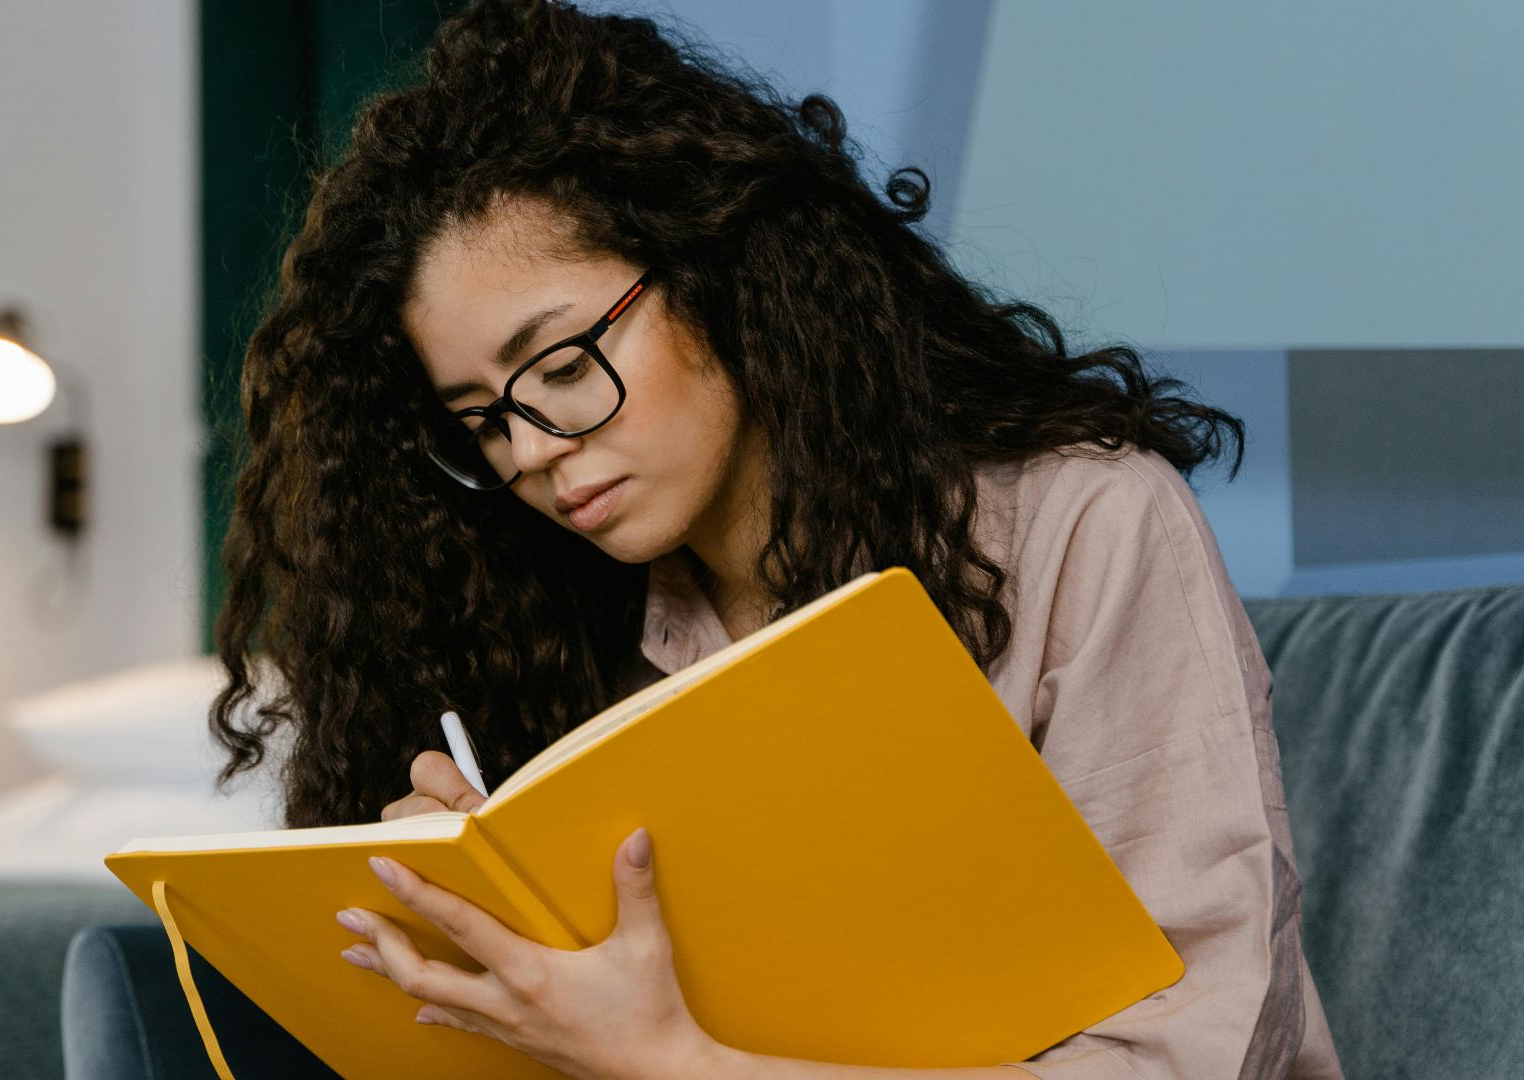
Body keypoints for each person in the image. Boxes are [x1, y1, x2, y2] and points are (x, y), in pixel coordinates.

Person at [204, 0, 1345, 1076]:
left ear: (721, 276)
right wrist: (482, 942)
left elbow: (1205, 1047)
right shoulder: (554, 626)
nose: (535, 451)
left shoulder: (1085, 522)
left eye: (561, 367)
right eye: (482, 422)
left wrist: (679, 1063)